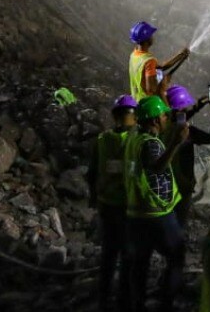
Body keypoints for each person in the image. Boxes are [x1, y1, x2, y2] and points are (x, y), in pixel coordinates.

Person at [124, 94, 188, 312]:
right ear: (153, 120)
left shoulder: (134, 137)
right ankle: (167, 304)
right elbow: (158, 166)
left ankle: (138, 304)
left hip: (136, 213)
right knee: (177, 255)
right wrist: (176, 143)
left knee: (140, 262)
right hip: (157, 213)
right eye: (162, 115)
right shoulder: (151, 143)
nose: (165, 118)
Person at [88, 95, 137, 312]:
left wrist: (93, 196)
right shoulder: (135, 140)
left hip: (106, 204)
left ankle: (104, 298)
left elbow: (92, 172)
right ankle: (124, 301)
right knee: (127, 255)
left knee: (109, 254)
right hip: (126, 206)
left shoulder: (102, 139)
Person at [162, 83, 210, 224]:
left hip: (163, 185)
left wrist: (197, 107)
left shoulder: (160, 126)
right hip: (182, 187)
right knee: (179, 222)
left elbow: (178, 116)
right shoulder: (186, 133)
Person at [127, 21, 190, 102]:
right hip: (148, 104)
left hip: (135, 100)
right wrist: (163, 84)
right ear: (147, 39)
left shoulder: (134, 55)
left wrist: (180, 55)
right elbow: (151, 89)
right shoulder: (149, 61)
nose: (153, 37)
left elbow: (162, 67)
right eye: (151, 35)